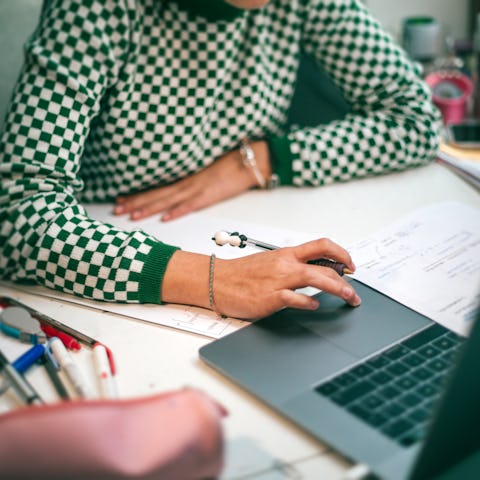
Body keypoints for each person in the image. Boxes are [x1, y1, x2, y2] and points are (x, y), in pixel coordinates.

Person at [0, 0, 441, 320]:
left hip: (233, 217)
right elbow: (17, 220)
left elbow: (416, 120)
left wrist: (263, 161)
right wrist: (214, 279)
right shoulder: (99, 9)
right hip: (101, 243)